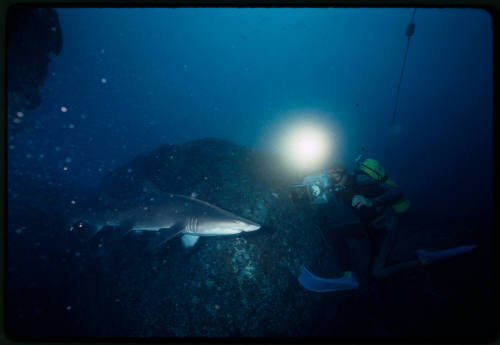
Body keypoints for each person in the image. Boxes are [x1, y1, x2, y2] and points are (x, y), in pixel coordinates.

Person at [298, 160, 477, 293]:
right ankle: (349, 276)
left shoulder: (361, 180)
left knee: (377, 273)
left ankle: (422, 257)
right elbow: (321, 197)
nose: (331, 174)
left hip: (384, 227)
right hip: (367, 226)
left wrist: (372, 200)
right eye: (328, 172)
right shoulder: (338, 188)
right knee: (336, 232)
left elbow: (396, 192)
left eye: (335, 169)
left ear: (343, 170)